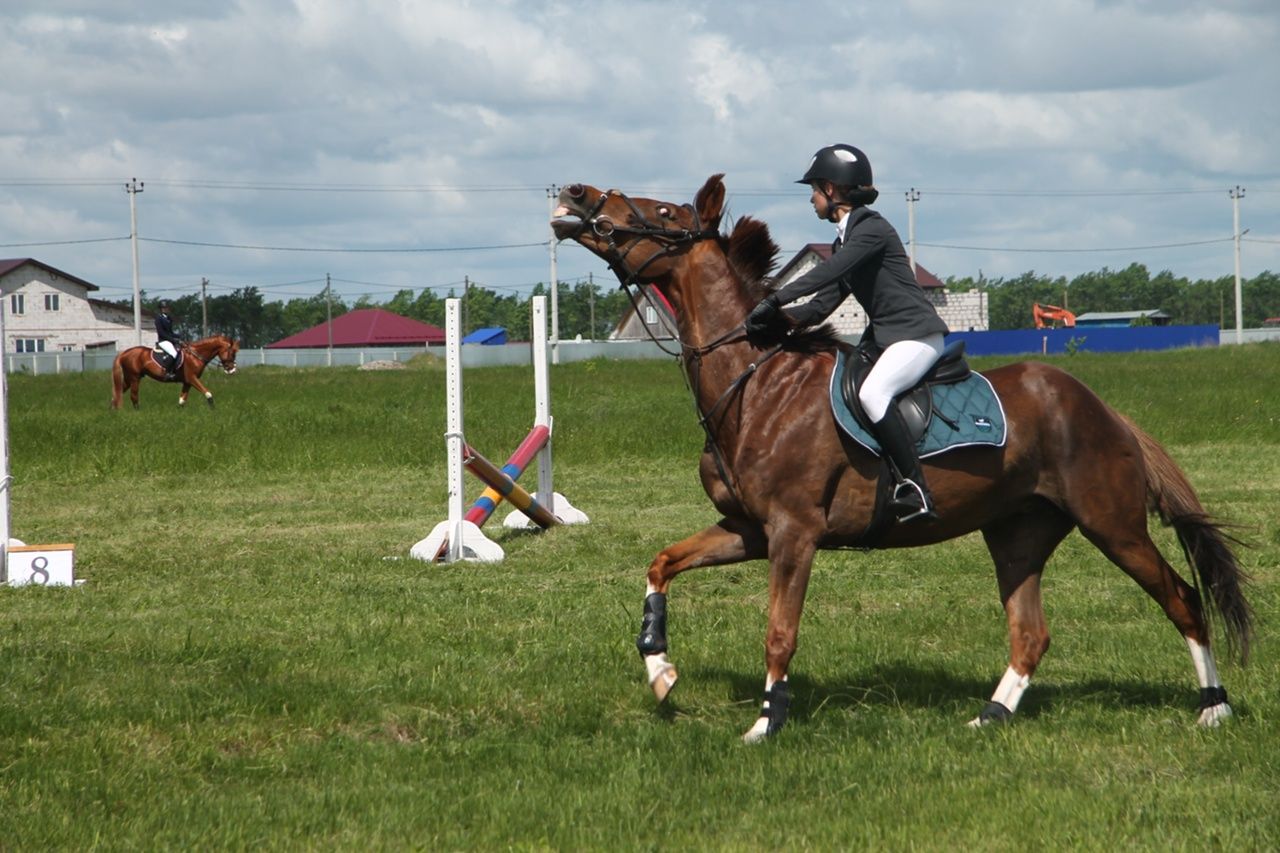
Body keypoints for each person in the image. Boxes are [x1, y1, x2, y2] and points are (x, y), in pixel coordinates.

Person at [746, 144, 950, 522]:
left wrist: (774, 297)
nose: (810, 200)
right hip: (886, 338)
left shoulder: (870, 229)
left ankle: (916, 489)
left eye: (813, 190)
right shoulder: (846, 238)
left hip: (916, 337)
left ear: (831, 190)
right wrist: (777, 321)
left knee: (874, 393)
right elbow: (822, 304)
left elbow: (829, 271)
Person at [154, 300, 184, 378]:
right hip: (163, 341)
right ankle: (167, 372)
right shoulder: (158, 319)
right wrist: (174, 340)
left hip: (169, 340)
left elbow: (170, 332)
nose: (166, 309)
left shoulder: (169, 318)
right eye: (164, 308)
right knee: (173, 353)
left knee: (182, 350)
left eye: (167, 308)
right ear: (161, 309)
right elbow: (162, 333)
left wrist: (178, 336)